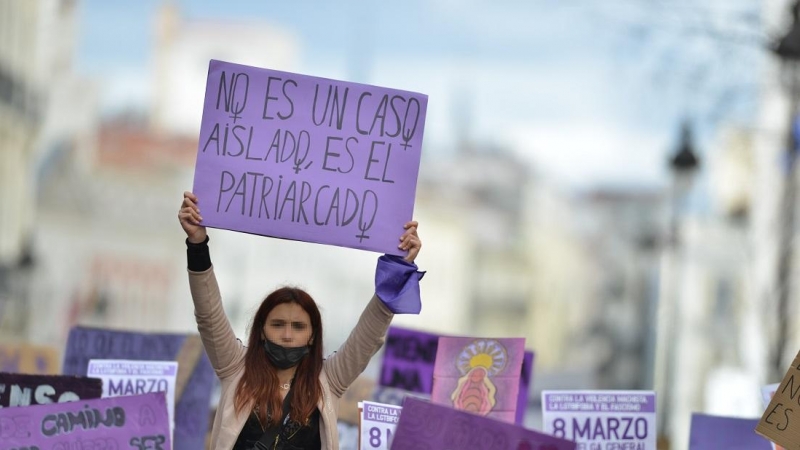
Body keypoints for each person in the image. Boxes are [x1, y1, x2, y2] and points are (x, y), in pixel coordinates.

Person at [178, 191, 424, 450]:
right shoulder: (234, 368)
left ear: (313, 335)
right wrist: (197, 245)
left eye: (298, 326)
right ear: (261, 331)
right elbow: (209, 314)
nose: (287, 334)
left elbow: (368, 336)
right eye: (277, 324)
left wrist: (398, 269)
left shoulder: (329, 380)